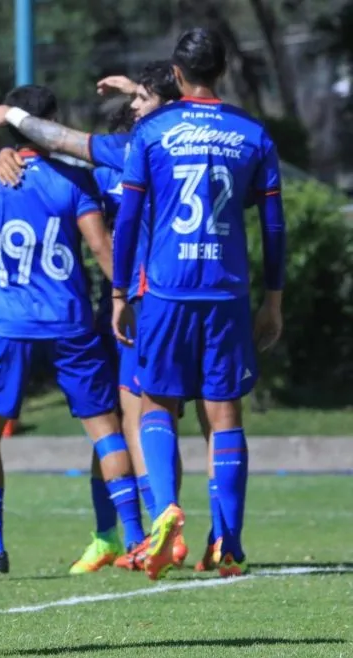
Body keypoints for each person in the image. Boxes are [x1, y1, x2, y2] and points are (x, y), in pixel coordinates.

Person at [0, 64, 218, 573]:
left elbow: (69, 144)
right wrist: (8, 152)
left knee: (153, 417)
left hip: (148, 302)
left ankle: (166, 529)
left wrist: (12, 127)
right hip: (115, 309)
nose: (134, 109)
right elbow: (63, 156)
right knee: (117, 424)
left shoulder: (157, 154)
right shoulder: (109, 166)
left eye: (141, 99)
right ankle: (114, 535)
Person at [0, 85, 146, 576]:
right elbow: (102, 248)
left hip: (10, 324)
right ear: (50, 123)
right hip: (71, 320)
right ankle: (137, 540)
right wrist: (122, 300)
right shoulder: (74, 180)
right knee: (105, 430)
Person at [112, 28, 286, 580]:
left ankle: (165, 511)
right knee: (225, 412)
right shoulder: (253, 134)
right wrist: (273, 299)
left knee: (155, 405)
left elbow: (128, 222)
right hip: (228, 291)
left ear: (177, 74)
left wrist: (120, 291)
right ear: (224, 71)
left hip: (165, 291)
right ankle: (227, 543)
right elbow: (274, 226)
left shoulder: (152, 132)